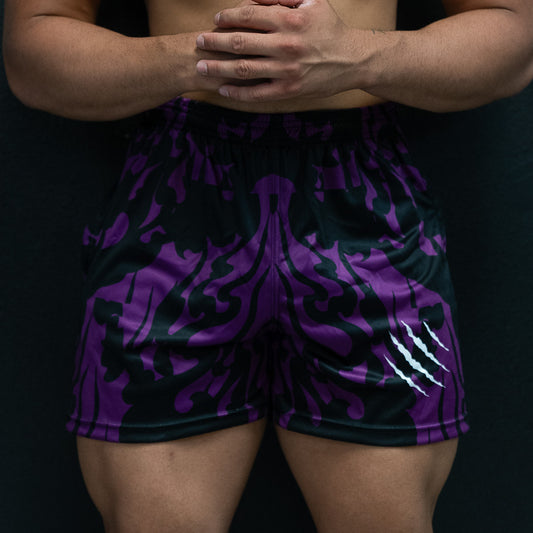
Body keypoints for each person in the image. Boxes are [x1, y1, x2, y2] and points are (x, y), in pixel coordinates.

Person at [3, 0, 532, 532]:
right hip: (177, 205)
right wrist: (211, 58)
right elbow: (33, 51)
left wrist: (356, 55)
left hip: (364, 206)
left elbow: (514, 37)